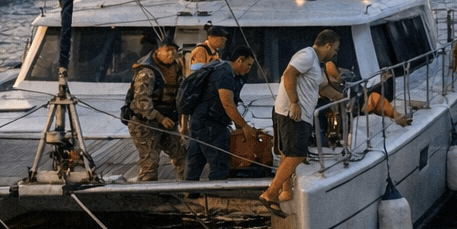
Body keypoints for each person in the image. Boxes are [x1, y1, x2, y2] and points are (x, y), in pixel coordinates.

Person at [259, 29, 342, 214]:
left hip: (298, 115)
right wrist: (294, 102)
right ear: (327, 46)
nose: (335, 54)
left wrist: (340, 97)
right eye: (335, 50)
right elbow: (288, 75)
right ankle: (270, 194)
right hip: (293, 113)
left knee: (289, 153)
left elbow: (322, 88)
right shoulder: (307, 55)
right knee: (296, 155)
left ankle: (284, 192)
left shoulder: (316, 64)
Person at [184, 45, 259, 183]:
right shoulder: (224, 74)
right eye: (248, 65)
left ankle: (190, 192)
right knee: (219, 161)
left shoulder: (226, 71)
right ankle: (218, 193)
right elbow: (227, 104)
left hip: (198, 120)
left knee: (195, 161)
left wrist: (238, 125)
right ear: (239, 60)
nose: (249, 69)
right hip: (210, 123)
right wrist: (244, 126)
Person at [127, 36, 186, 182]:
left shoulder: (177, 69)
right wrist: (159, 118)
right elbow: (141, 101)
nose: (171, 54)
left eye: (174, 51)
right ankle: (148, 194)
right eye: (167, 51)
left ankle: (187, 186)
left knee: (181, 155)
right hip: (145, 123)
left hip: (168, 120)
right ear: (158, 52)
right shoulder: (147, 72)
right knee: (150, 161)